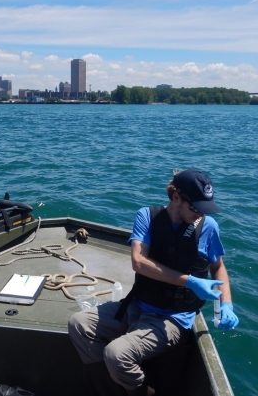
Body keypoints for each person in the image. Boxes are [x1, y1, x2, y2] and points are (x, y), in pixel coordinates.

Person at [68, 169, 239, 396]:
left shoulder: (208, 228)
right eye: (195, 208)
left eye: (204, 209)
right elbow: (138, 261)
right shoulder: (147, 217)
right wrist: (189, 281)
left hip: (174, 318)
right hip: (137, 305)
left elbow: (218, 267)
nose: (200, 215)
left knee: (117, 354)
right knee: (79, 324)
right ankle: (110, 389)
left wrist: (227, 304)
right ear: (176, 197)